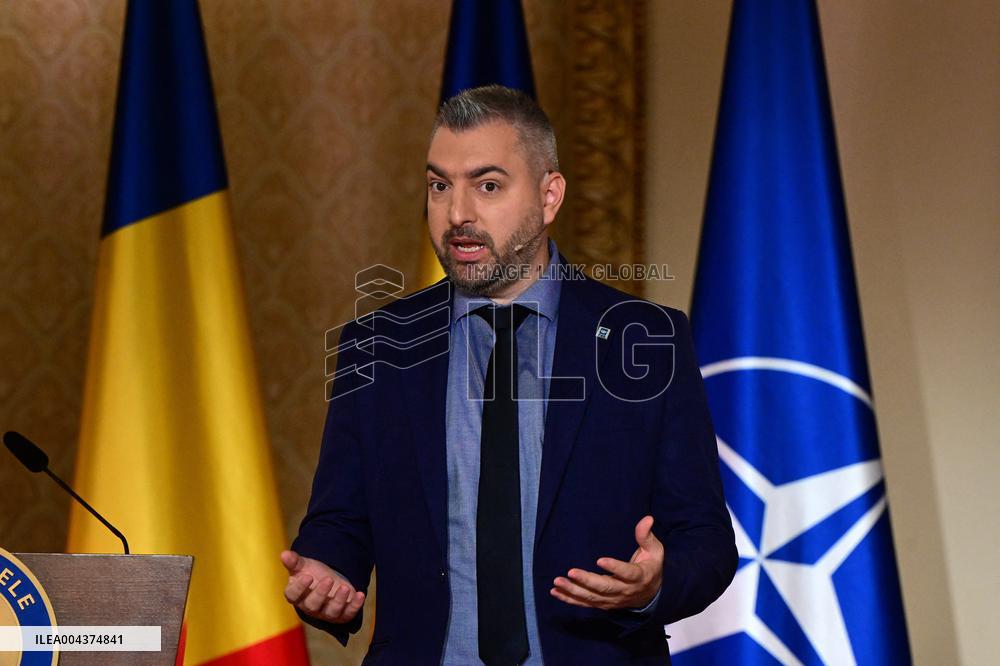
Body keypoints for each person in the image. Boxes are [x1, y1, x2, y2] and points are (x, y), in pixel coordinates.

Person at [282, 85, 736, 664]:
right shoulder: (379, 345)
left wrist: (654, 584)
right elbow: (339, 524)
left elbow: (706, 540)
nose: (458, 214)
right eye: (439, 186)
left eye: (488, 185)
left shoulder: (644, 340)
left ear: (550, 196)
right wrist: (324, 577)